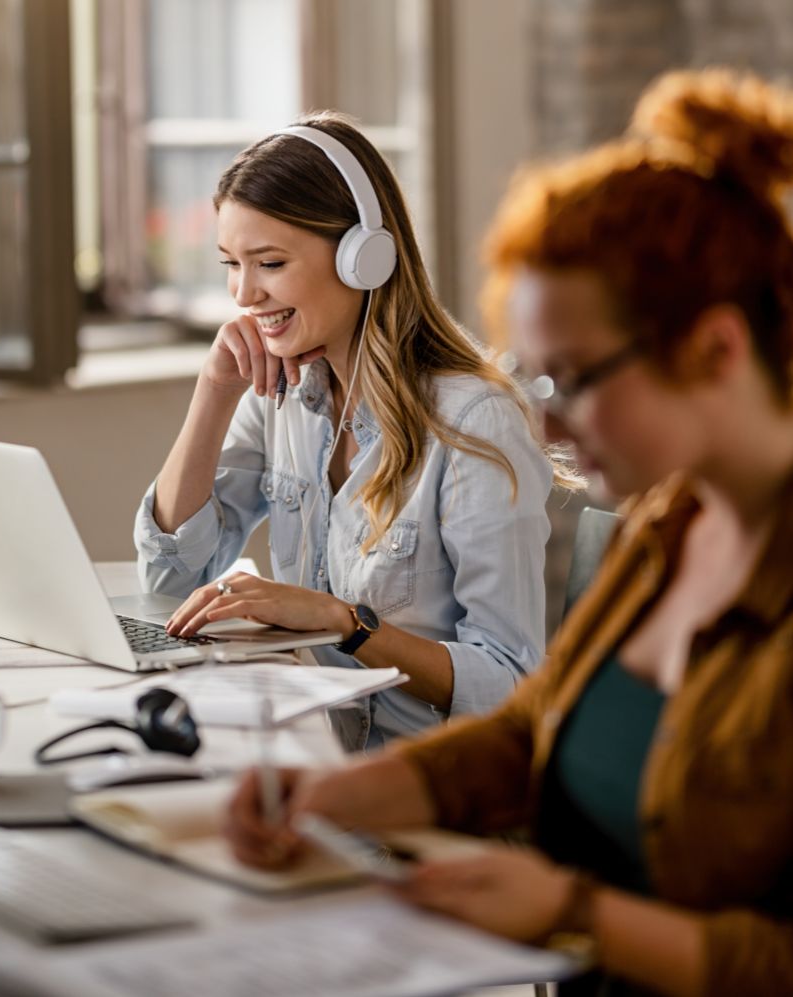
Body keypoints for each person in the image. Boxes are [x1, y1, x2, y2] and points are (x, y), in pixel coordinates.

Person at [225, 69, 793, 996]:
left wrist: (575, 914)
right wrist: (338, 795)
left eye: (572, 379)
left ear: (716, 350)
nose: (545, 426)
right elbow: (536, 726)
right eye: (536, 381)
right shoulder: (671, 530)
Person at [134, 111, 566, 751]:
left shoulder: (474, 423)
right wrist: (215, 391)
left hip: (422, 789)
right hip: (309, 757)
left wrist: (346, 625)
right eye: (231, 263)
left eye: (270, 263)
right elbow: (170, 577)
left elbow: (509, 683)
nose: (244, 294)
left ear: (365, 257)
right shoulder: (283, 396)